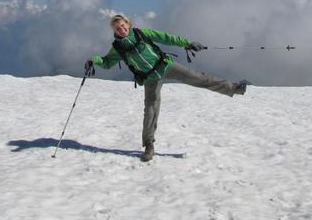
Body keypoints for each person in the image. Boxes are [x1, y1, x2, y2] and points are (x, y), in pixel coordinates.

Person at [86, 14, 248, 162]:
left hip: (165, 66)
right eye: (117, 28)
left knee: (199, 78)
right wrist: (94, 60)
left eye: (123, 26)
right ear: (114, 31)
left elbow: (165, 38)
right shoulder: (118, 48)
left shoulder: (141, 33)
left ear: (128, 24)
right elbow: (107, 62)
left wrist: (187, 43)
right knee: (150, 110)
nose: (121, 30)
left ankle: (235, 88)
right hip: (150, 78)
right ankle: (149, 146)